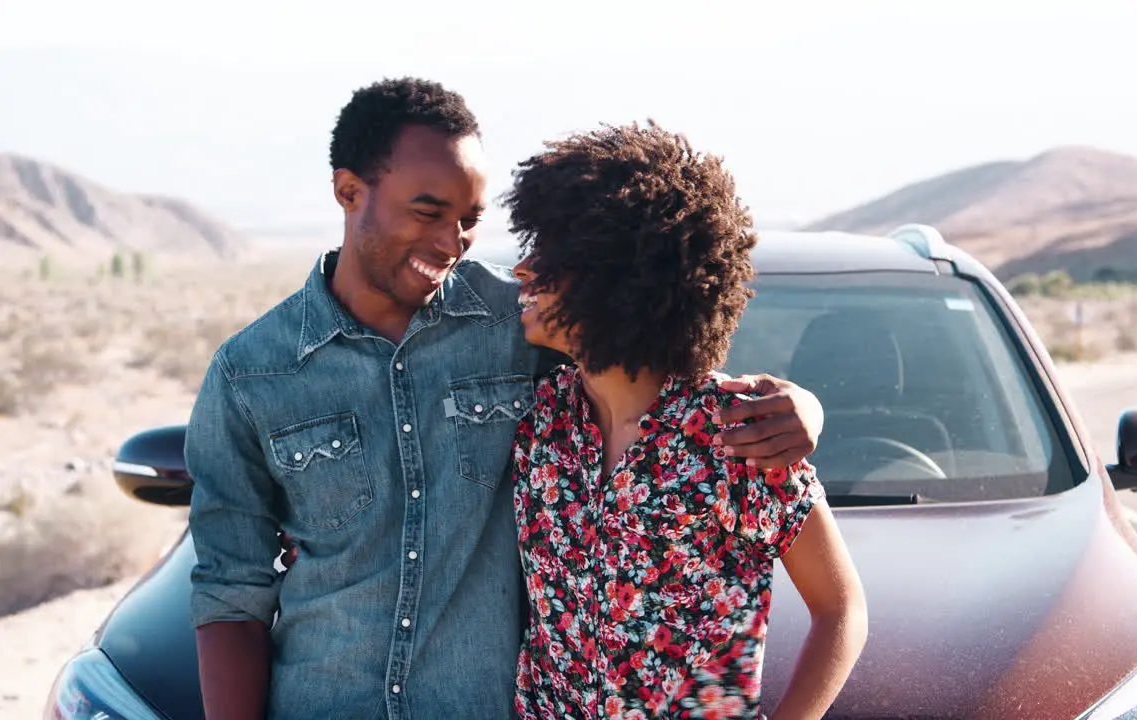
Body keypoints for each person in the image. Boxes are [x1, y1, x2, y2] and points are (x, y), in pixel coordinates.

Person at [185, 77, 827, 720]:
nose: (451, 242)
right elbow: (230, 594)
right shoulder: (251, 374)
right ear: (350, 191)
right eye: (428, 212)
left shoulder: (521, 328)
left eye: (470, 220)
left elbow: (647, 361)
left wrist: (801, 405)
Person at [504, 122, 868, 719]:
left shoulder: (733, 433)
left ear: (616, 277)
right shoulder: (540, 421)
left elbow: (842, 608)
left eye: (553, 256)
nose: (524, 270)